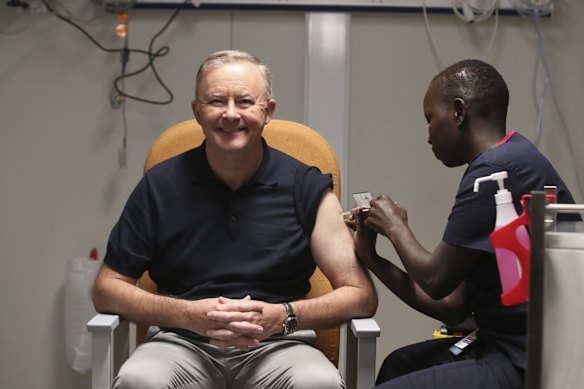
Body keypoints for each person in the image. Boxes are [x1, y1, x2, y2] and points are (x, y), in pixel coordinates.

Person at [93, 49, 377, 389]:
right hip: (179, 344)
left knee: (319, 383)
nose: (230, 115)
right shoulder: (160, 185)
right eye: (216, 101)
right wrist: (187, 315)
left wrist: (282, 316)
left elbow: (360, 294)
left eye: (245, 102)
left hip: (279, 346)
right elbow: (107, 289)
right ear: (197, 112)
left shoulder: (306, 187)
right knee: (138, 380)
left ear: (268, 111)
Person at [347, 59, 578, 389]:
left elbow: (436, 279)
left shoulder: (495, 175)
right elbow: (453, 307)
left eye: (430, 119)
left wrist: (396, 226)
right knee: (399, 366)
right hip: (499, 343)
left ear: (458, 112)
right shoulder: (511, 160)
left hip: (525, 359)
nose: (428, 135)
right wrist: (372, 258)